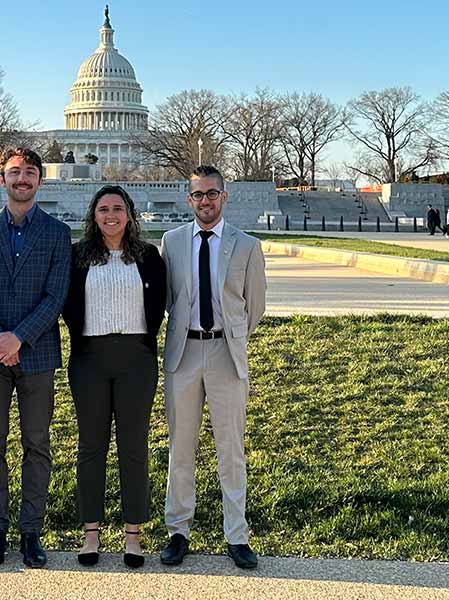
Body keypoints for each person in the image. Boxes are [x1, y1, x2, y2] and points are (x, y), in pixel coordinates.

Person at [0, 147, 71, 569]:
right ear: (1, 179)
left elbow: (56, 295)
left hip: (37, 353)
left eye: (30, 172)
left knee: (37, 444)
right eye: (14, 172)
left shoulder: (58, 233)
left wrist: (20, 338)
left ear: (40, 181)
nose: (22, 179)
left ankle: (31, 531)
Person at [158, 165, 266, 570]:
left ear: (224, 196)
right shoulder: (171, 242)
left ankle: (236, 535)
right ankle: (178, 531)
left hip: (226, 353)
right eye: (198, 195)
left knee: (230, 450)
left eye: (212, 194)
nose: (205, 201)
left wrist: (230, 335)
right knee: (181, 447)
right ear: (190, 200)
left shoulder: (246, 246)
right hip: (184, 354)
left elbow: (254, 306)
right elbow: (170, 299)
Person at [62, 185, 166, 569]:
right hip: (89, 358)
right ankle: (91, 533)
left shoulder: (149, 257)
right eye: (103, 209)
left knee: (133, 447)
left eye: (117, 208)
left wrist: (141, 345)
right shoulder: (77, 257)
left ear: (129, 214)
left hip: (136, 359)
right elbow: (67, 307)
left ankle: (133, 536)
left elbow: (158, 307)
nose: (110, 215)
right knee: (91, 447)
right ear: (93, 215)